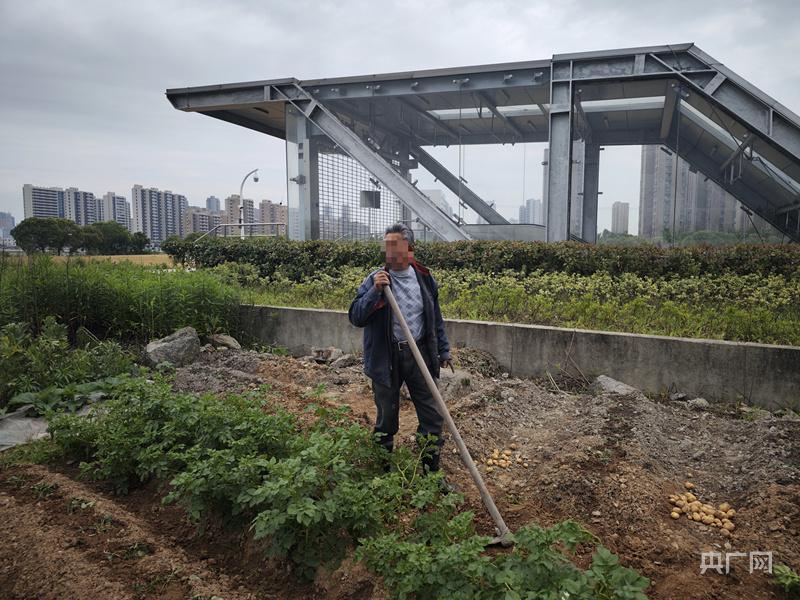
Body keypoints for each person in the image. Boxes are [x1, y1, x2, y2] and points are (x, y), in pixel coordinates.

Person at [348, 223, 453, 473]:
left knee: (432, 415)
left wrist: (444, 350)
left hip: (419, 354)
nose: (390, 252)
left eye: (395, 246)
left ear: (410, 249)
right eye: (387, 246)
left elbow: (434, 317)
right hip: (386, 357)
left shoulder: (425, 278)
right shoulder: (376, 279)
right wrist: (374, 292)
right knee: (387, 417)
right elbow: (355, 316)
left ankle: (430, 474)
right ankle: (383, 472)